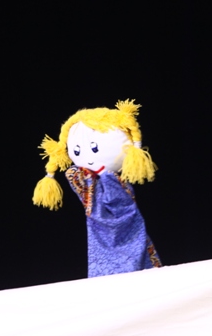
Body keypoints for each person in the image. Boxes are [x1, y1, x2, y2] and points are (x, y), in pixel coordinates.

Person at [33, 99, 162, 277]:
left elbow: (123, 206)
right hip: (97, 228)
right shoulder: (85, 179)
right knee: (104, 259)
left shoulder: (112, 181)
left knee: (132, 254)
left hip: (123, 223)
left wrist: (105, 177)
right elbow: (77, 182)